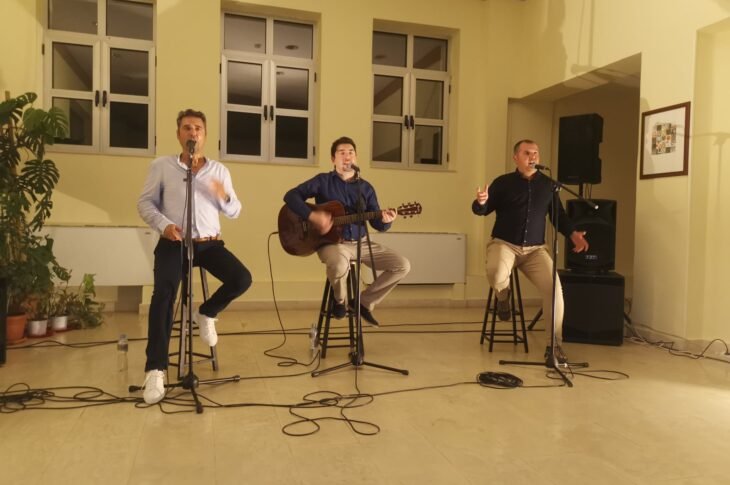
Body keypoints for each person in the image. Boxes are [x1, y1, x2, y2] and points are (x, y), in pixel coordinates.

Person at [137, 109, 252, 404]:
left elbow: (235, 211)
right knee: (163, 294)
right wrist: (164, 226)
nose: (193, 133)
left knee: (242, 278)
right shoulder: (162, 166)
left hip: (209, 244)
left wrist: (223, 195)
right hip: (174, 242)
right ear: (179, 134)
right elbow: (145, 203)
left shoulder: (219, 171)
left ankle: (207, 312)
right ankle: (155, 369)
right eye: (187, 128)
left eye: (198, 128)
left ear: (205, 135)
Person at [472, 139, 589, 363]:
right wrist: (481, 202)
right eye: (527, 153)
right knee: (496, 272)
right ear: (515, 157)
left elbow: (558, 215)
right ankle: (503, 297)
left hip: (535, 250)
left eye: (535, 153)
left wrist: (573, 234)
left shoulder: (548, 185)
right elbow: (482, 210)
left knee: (554, 289)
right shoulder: (503, 183)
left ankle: (554, 346)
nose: (532, 156)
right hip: (504, 244)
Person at [283, 136, 410, 327]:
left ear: (356, 158)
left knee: (402, 265)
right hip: (332, 244)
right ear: (333, 159)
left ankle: (363, 302)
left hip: (361, 243)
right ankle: (339, 300)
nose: (347, 156)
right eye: (341, 152)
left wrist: (386, 221)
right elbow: (290, 196)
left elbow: (377, 224)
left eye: (350, 152)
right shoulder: (323, 181)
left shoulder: (365, 188)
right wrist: (312, 216)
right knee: (339, 263)